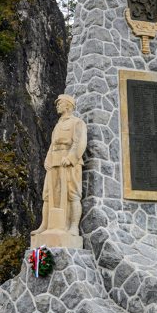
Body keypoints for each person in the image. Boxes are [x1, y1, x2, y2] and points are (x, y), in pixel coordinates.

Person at [32, 94, 87, 236]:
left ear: (68, 105)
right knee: (48, 195)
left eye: (60, 103)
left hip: (69, 164)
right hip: (54, 162)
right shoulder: (58, 124)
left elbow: (79, 142)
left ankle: (73, 227)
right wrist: (47, 159)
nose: (57, 106)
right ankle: (45, 225)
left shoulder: (77, 123)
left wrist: (70, 158)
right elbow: (52, 144)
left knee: (72, 194)